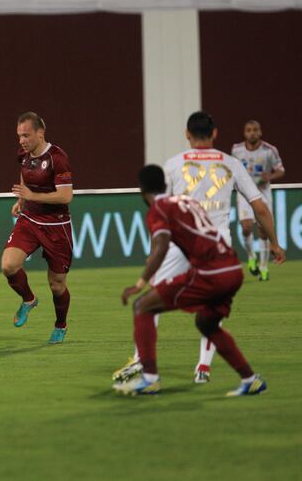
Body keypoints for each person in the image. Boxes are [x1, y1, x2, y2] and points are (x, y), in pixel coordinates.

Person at [113, 112, 283, 384]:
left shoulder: (173, 164)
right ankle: (203, 368)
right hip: (219, 247)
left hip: (180, 243)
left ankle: (140, 363)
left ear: (187, 134)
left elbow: (162, 207)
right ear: (215, 133)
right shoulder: (232, 163)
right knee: (212, 309)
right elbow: (259, 206)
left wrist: (153, 250)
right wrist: (274, 243)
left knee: (151, 298)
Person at [2, 112, 74, 344]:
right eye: (19, 136)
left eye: (26, 135)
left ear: (40, 133)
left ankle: (60, 325)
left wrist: (33, 194)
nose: (21, 140)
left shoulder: (57, 157)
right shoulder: (23, 154)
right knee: (9, 266)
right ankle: (28, 299)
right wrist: (23, 200)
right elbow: (24, 174)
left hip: (56, 226)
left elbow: (66, 196)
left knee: (56, 285)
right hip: (30, 220)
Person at [232, 120, 285, 281]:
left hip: (262, 193)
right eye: (249, 130)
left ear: (260, 132)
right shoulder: (237, 150)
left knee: (263, 231)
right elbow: (233, 170)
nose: (252, 133)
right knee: (246, 227)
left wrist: (270, 176)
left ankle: (263, 267)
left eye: (255, 130)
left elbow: (281, 171)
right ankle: (250, 256)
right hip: (244, 193)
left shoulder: (270, 150)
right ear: (244, 133)